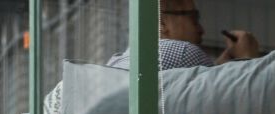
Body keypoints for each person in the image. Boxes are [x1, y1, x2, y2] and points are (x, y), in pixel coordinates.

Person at [106, 0, 262, 70]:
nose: (201, 30)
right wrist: (247, 59)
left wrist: (219, 66)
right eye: (194, 19)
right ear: (161, 24)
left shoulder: (119, 60)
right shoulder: (183, 51)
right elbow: (239, 104)